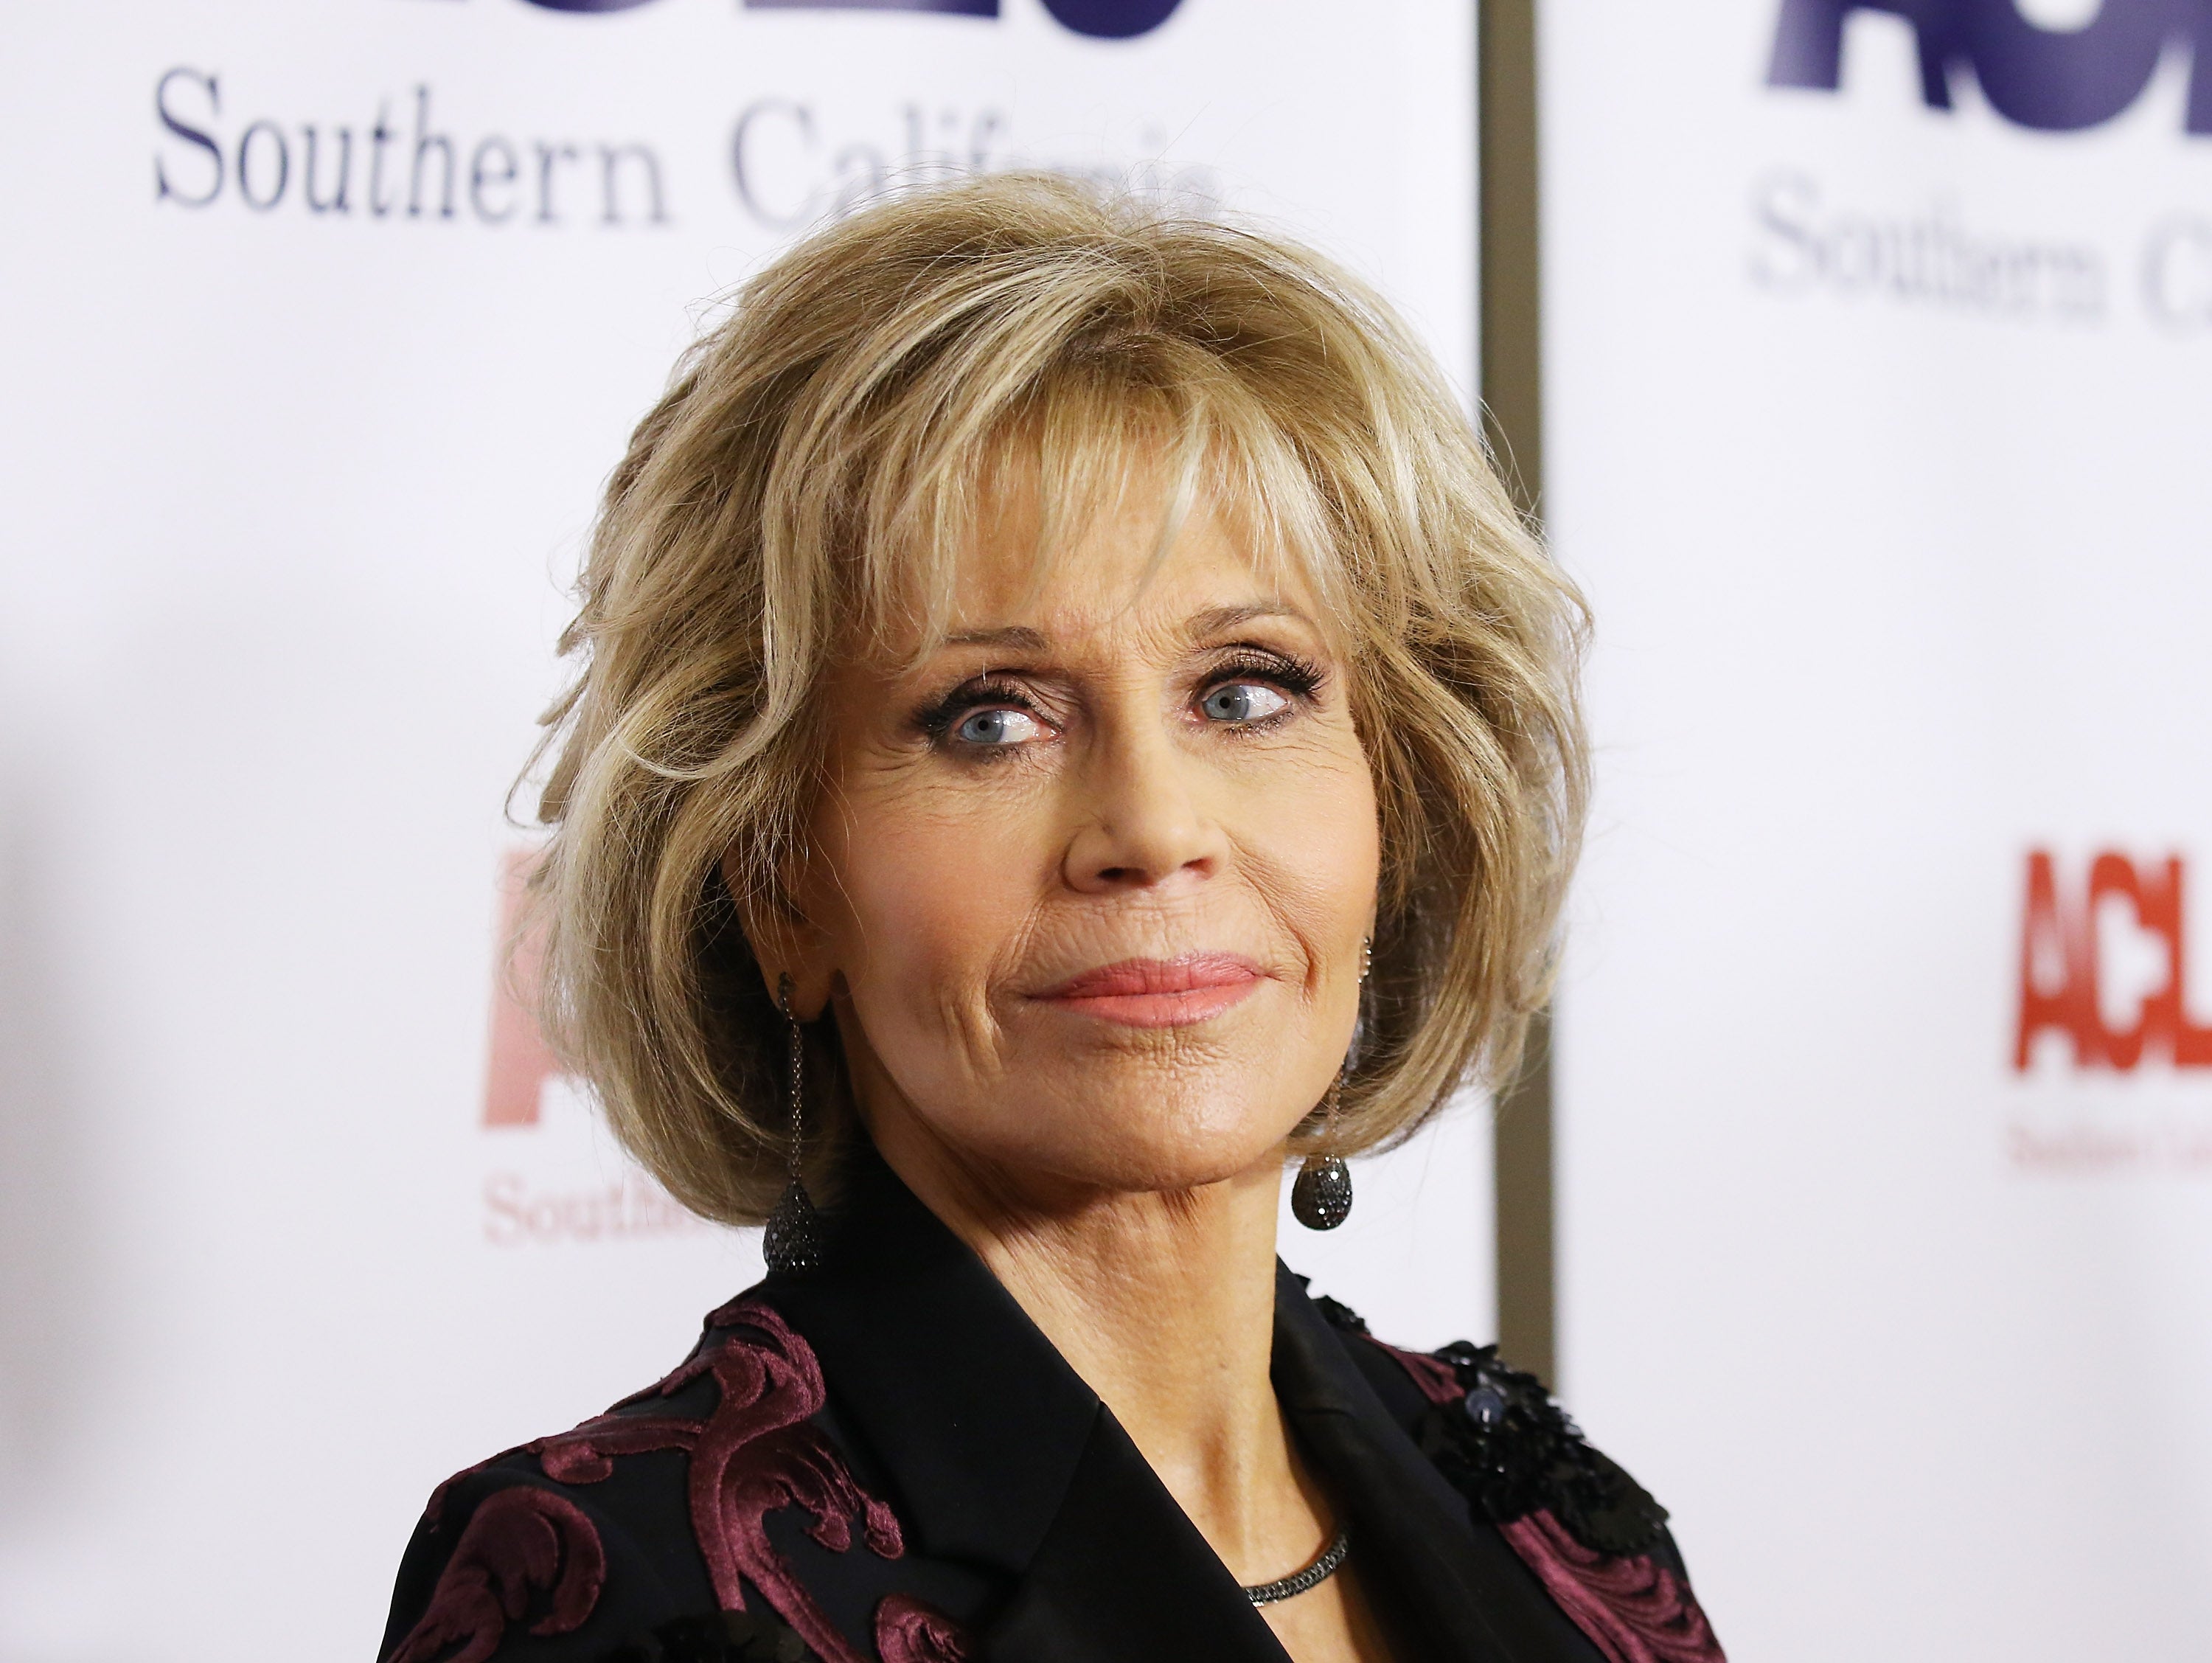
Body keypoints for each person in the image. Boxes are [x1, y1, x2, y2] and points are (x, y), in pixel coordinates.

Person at [379, 173, 1723, 1663]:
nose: (1152, 827)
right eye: (990, 719)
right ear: (777, 891)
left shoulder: (1553, 1531)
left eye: (1244, 692)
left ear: (1396, 797)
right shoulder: (627, 1596)